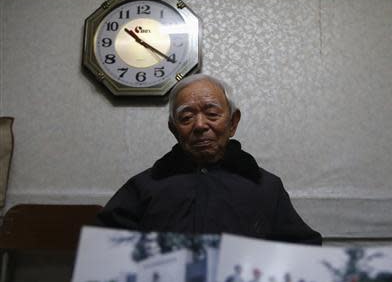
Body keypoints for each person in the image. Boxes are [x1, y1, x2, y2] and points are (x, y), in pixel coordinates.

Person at [96, 74, 321, 244]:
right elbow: (100, 256)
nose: (200, 125)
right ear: (174, 129)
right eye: (186, 117)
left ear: (233, 123)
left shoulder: (266, 187)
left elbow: (301, 251)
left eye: (212, 114)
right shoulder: (143, 187)